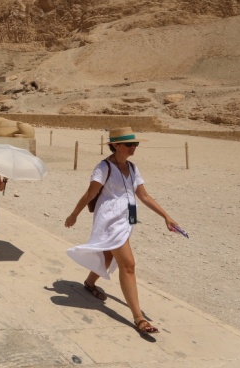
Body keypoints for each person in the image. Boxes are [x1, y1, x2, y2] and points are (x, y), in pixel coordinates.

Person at [64, 127, 180, 336]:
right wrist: (74, 214)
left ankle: (89, 283)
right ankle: (139, 318)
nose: (133, 147)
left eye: (135, 144)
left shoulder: (133, 168)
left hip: (126, 220)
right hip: (109, 221)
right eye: (129, 144)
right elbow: (90, 193)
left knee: (108, 256)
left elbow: (144, 196)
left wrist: (166, 216)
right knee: (128, 264)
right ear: (116, 145)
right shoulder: (103, 167)